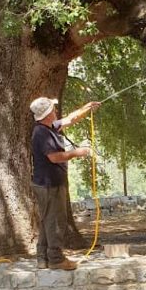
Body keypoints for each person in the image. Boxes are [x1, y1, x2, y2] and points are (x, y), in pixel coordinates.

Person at [30, 97, 100, 271]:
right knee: (55, 222)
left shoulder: (49, 127)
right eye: (53, 109)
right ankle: (55, 259)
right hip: (49, 185)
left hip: (49, 183)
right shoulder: (41, 133)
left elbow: (70, 119)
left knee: (47, 220)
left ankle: (42, 258)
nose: (55, 111)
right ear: (47, 114)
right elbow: (54, 157)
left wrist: (86, 107)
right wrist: (78, 152)